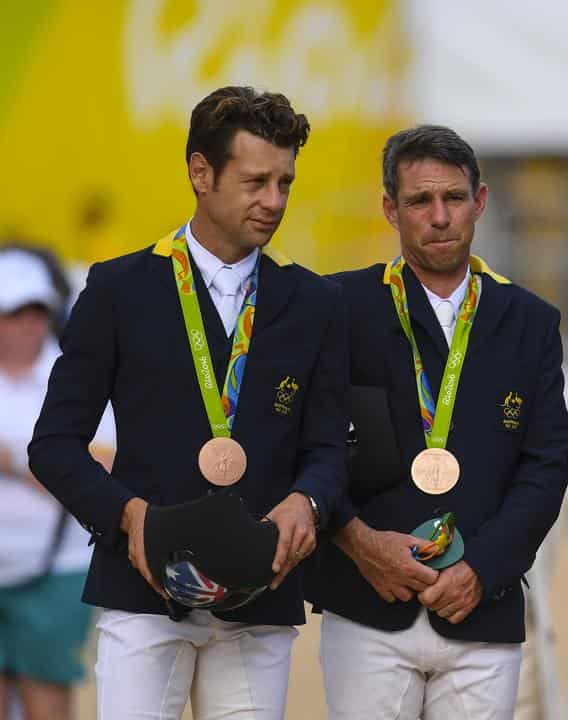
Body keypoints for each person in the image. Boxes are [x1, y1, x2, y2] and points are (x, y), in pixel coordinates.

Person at [27, 86, 349, 720]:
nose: (274, 201)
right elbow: (54, 445)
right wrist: (129, 517)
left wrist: (306, 501)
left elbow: (328, 446)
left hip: (262, 590)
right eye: (256, 181)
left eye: (285, 183)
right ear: (201, 172)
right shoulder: (118, 289)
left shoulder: (314, 303)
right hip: (143, 592)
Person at [307, 124, 568, 719]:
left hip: (482, 604)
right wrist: (361, 544)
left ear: (480, 200)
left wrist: (484, 567)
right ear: (389, 210)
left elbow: (546, 467)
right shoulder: (337, 309)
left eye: (453, 198)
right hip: (367, 601)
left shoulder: (530, 321)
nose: (440, 216)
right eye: (420, 201)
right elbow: (311, 447)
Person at [0, 245, 114, 720]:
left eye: (36, 311)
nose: (28, 324)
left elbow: (104, 473)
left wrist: (12, 460)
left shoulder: (75, 376)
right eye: (14, 312)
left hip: (55, 569)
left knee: (47, 702)